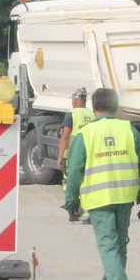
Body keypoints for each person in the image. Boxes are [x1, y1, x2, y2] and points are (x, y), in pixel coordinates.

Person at [62, 87, 140, 280]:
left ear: (93, 108)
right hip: (124, 197)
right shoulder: (128, 129)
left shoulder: (85, 134)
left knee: (108, 246)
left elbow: (74, 171)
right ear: (116, 107)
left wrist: (71, 202)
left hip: (98, 199)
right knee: (119, 246)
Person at [57, 87, 95, 222]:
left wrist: (60, 156)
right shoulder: (92, 114)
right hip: (90, 154)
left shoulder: (71, 115)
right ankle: (87, 212)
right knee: (88, 183)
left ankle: (72, 209)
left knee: (69, 183)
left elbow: (65, 136)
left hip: (72, 154)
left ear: (76, 100)